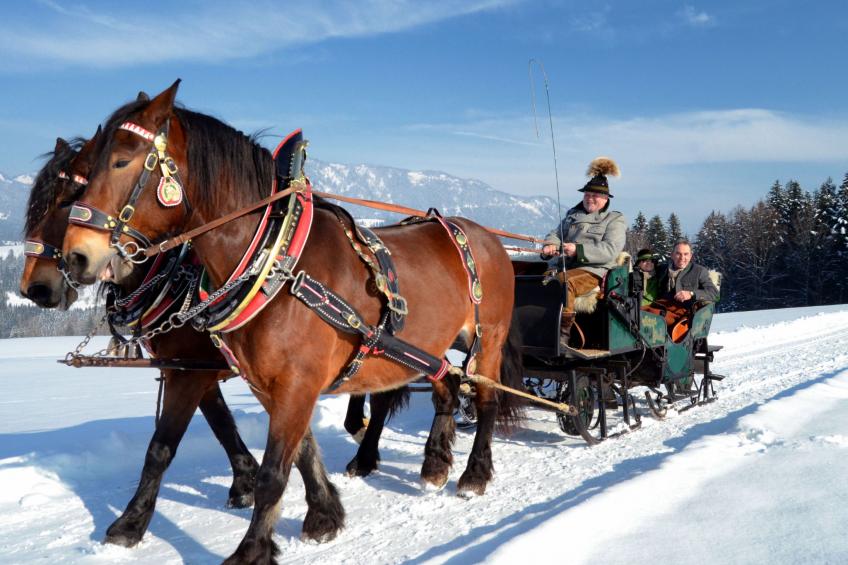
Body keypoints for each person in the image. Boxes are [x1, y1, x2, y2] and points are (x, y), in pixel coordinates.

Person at [541, 157, 626, 348]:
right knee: (540, 283)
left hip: (594, 271)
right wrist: (550, 245)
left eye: (595, 195)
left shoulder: (614, 220)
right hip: (564, 267)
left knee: (564, 284)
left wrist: (578, 250)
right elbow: (556, 234)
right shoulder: (572, 215)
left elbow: (611, 250)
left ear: (605, 199)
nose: (590, 198)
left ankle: (562, 337)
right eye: (587, 194)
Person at [646, 239, 719, 341]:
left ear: (690, 256)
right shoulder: (662, 269)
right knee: (639, 312)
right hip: (660, 305)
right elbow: (646, 271)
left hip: (682, 313)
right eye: (678, 254)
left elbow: (714, 293)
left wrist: (691, 294)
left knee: (651, 317)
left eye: (686, 254)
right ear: (672, 255)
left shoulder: (699, 271)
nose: (682, 258)